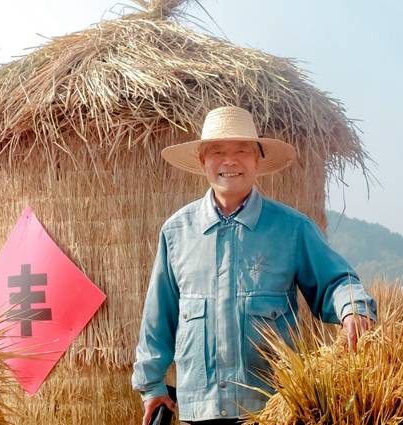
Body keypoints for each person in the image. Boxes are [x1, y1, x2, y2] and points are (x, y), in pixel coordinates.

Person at [131, 106, 376, 425]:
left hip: (274, 408)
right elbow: (158, 317)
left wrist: (353, 308)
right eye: (217, 151)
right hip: (200, 410)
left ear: (257, 159)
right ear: (202, 160)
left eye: (241, 150)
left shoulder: (291, 228)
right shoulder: (178, 232)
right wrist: (151, 386)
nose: (229, 161)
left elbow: (334, 282)